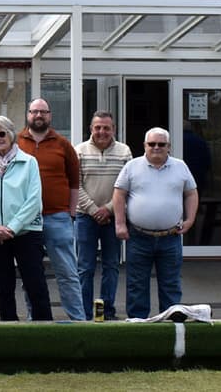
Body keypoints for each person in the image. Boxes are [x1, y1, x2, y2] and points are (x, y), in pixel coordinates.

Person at [112, 127, 199, 319]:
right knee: (136, 284)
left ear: (169, 146)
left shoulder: (180, 166)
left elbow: (191, 193)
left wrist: (190, 220)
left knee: (171, 284)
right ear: (145, 145)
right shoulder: (132, 166)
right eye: (152, 144)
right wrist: (120, 224)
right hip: (139, 236)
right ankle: (138, 323)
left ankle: (171, 324)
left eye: (161, 144)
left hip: (170, 237)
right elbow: (119, 194)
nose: (156, 147)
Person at [0, 116, 51, 321]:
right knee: (3, 287)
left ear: (11, 134)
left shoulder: (29, 163)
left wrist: (12, 228)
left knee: (35, 285)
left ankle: (46, 333)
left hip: (27, 233)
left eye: (1, 133)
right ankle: (9, 330)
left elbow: (34, 200)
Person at [16, 98, 85, 321]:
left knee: (67, 273)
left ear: (50, 115)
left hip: (58, 217)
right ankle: (34, 319)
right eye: (34, 111)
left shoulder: (62, 144)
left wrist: (71, 213)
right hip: (27, 220)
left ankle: (78, 320)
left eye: (43, 112)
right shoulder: (16, 142)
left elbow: (75, 181)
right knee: (31, 274)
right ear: (28, 115)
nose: (38, 116)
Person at [74, 111, 132, 321]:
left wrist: (107, 209)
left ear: (113, 129)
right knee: (85, 267)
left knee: (111, 266)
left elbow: (127, 186)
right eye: (98, 127)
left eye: (106, 127)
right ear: (91, 129)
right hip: (85, 218)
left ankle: (107, 311)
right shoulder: (79, 151)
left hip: (112, 218)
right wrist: (93, 210)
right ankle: (84, 313)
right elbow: (75, 185)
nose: (102, 131)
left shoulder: (124, 151)